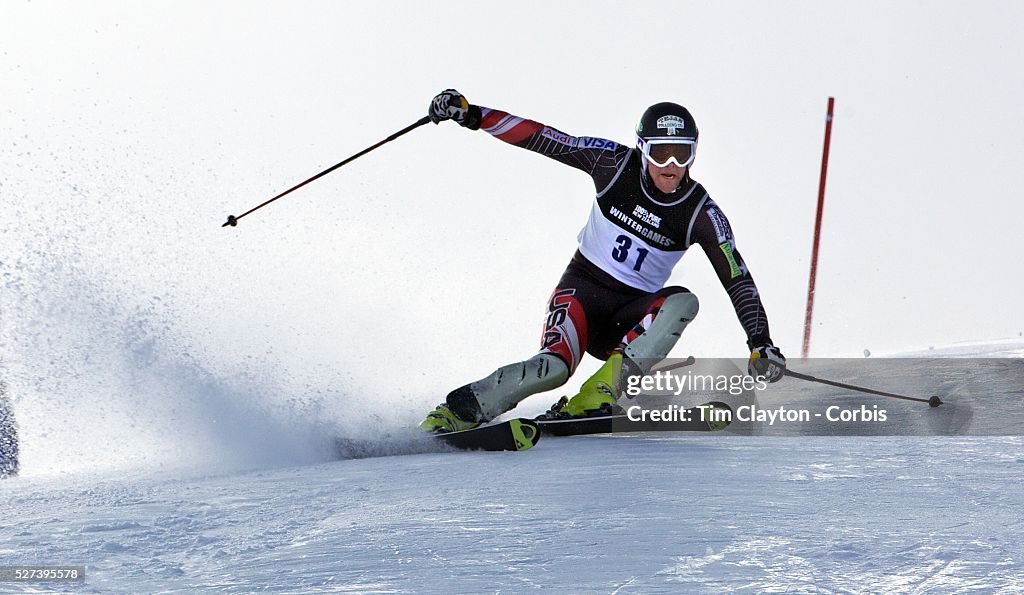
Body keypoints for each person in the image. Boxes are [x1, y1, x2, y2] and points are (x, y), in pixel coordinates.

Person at [420, 89, 785, 433]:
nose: (672, 165)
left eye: (682, 153)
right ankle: (456, 412)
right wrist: (472, 115)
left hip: (629, 317)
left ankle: (596, 395)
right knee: (551, 370)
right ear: (643, 150)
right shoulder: (612, 164)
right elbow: (547, 139)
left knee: (684, 301)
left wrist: (760, 342)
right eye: (661, 154)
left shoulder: (700, 213)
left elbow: (737, 278)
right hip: (582, 293)